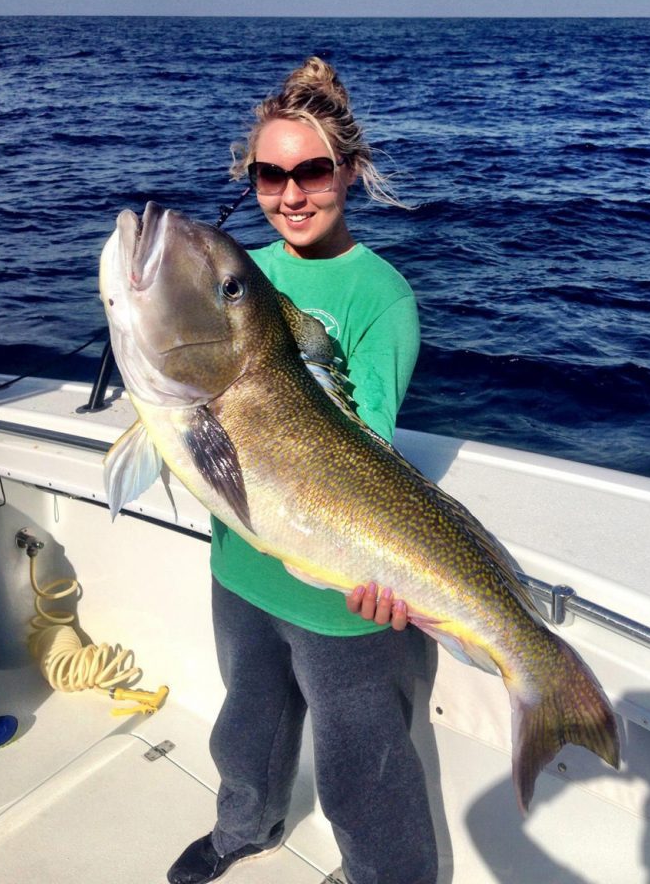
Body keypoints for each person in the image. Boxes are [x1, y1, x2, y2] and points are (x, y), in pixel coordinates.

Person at [167, 57, 438, 884]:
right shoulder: (238, 279)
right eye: (269, 173)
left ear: (349, 170)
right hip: (241, 565)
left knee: (365, 783)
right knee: (245, 729)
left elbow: (370, 453)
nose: (291, 193)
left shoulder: (379, 296)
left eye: (312, 171)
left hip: (340, 600)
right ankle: (244, 826)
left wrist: (381, 568)